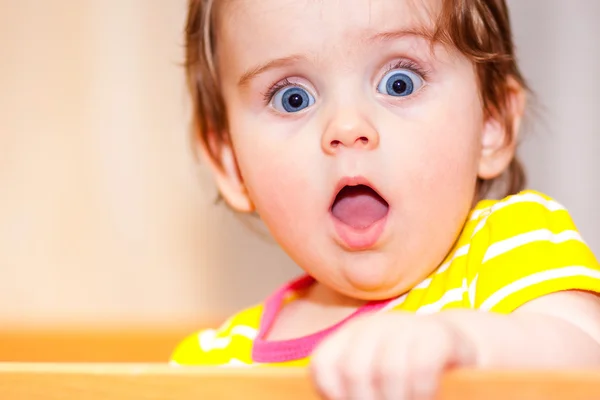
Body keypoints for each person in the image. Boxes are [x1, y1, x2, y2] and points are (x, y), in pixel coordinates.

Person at [170, 0, 600, 398]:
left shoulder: (509, 250)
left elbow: (587, 351)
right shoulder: (214, 365)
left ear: (493, 122)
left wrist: (465, 343)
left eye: (399, 82)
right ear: (230, 162)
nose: (346, 125)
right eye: (292, 98)